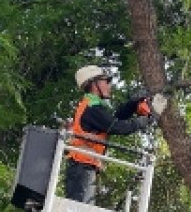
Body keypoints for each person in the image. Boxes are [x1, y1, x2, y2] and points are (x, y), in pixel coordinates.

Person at [65, 65, 154, 204]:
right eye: (106, 81)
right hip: (82, 168)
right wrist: (142, 122)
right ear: (94, 84)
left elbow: (113, 120)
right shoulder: (91, 108)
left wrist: (131, 105)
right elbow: (116, 126)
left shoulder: (91, 106)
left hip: (83, 167)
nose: (109, 85)